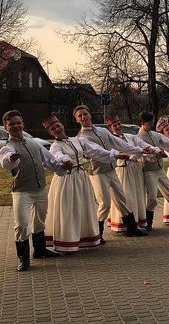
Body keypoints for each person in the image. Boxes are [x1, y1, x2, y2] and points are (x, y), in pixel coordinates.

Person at [1, 110, 70, 271]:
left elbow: (49, 160)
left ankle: (40, 250)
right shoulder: (8, 147)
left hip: (40, 189)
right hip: (22, 191)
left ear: (23, 124)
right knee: (22, 225)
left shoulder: (34, 143)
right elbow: (5, 162)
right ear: (6, 127)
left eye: (18, 123)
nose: (16, 126)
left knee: (39, 220)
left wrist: (62, 166)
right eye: (11, 124)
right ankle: (23, 258)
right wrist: (11, 159)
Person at [44, 114, 123, 252]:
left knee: (83, 206)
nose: (57, 129)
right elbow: (57, 156)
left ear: (62, 125)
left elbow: (95, 151)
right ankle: (67, 241)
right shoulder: (55, 146)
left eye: (57, 125)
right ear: (50, 133)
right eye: (53, 129)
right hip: (68, 179)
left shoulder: (77, 140)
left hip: (81, 177)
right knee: (69, 209)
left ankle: (85, 237)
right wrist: (65, 160)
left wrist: (114, 154)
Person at [73, 105, 148, 240]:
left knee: (122, 200)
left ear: (90, 115)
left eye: (85, 114)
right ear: (77, 120)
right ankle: (96, 235)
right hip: (98, 172)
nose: (83, 117)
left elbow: (119, 143)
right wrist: (116, 155)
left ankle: (131, 228)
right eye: (80, 116)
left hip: (111, 170)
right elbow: (97, 152)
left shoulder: (102, 131)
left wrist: (139, 150)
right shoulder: (81, 137)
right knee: (105, 204)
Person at [107, 114, 158, 233]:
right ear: (110, 128)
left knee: (138, 195)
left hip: (136, 168)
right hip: (124, 169)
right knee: (127, 195)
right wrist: (138, 153)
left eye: (119, 124)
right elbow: (117, 153)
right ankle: (124, 224)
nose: (118, 126)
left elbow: (143, 145)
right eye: (114, 125)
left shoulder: (131, 137)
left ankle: (137, 222)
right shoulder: (111, 140)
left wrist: (153, 150)